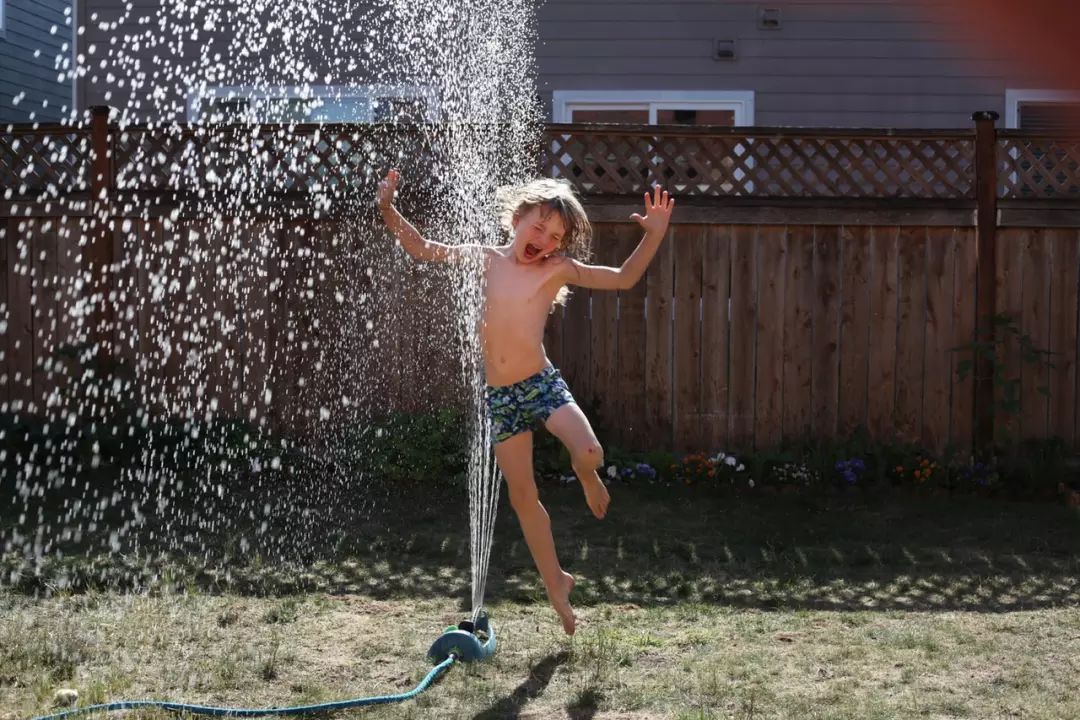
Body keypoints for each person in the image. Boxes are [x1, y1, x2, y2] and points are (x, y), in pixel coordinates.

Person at [377, 169, 674, 634]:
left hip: (540, 384)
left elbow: (623, 278)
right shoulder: (486, 259)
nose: (544, 239)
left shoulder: (555, 269)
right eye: (538, 227)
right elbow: (422, 248)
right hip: (502, 397)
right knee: (523, 496)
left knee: (591, 451)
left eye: (555, 237)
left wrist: (654, 234)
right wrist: (388, 209)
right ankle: (556, 583)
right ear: (516, 219)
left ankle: (586, 472)